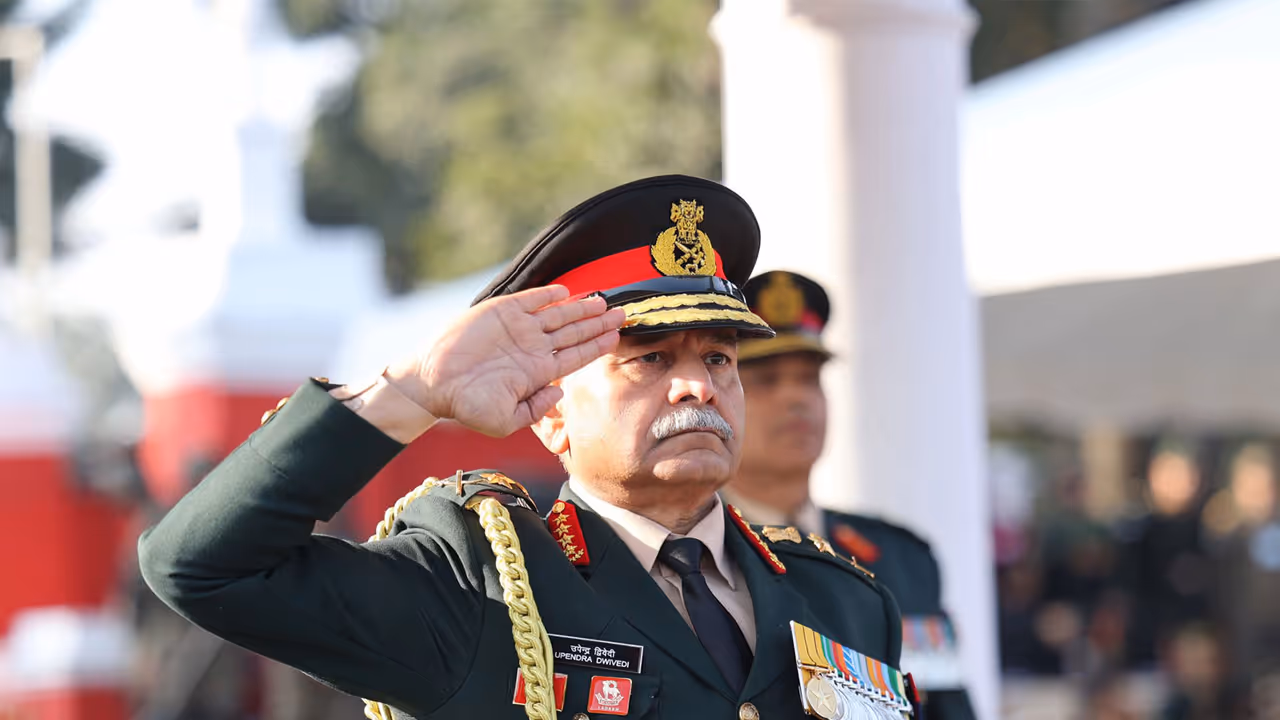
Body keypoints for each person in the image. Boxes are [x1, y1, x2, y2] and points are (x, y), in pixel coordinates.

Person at [139, 176, 917, 720]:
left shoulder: (845, 600)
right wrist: (407, 394)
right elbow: (200, 567)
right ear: (550, 416)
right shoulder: (478, 586)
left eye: (717, 358)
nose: (696, 388)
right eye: (650, 360)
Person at [723, 270, 977, 719]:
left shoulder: (900, 557)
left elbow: (943, 705)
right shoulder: (700, 555)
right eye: (765, 380)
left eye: (809, 378)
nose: (796, 398)